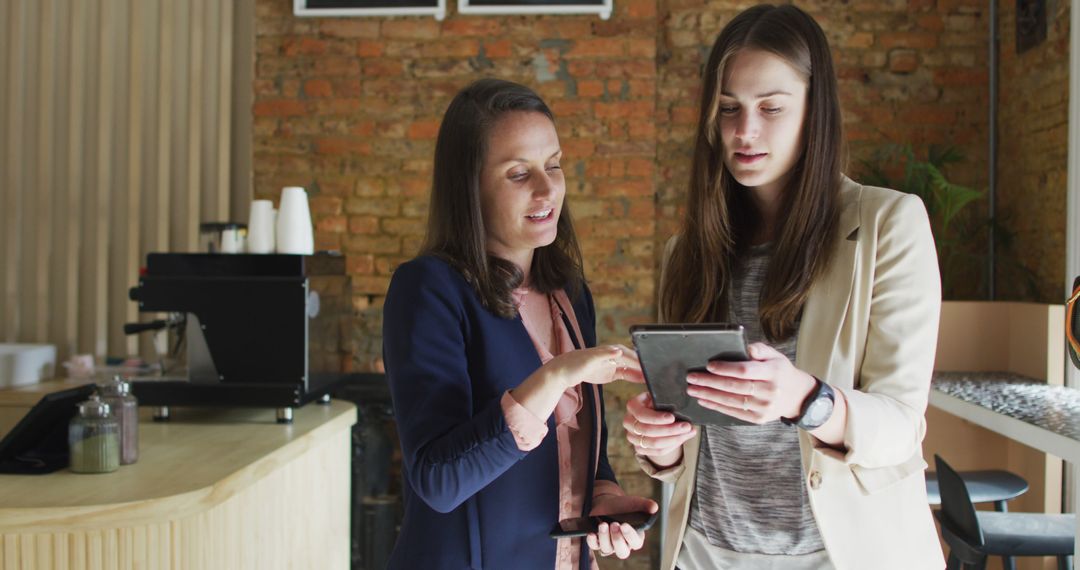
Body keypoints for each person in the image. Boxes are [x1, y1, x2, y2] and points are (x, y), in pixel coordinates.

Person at [621, 5, 945, 569]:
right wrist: (661, 442)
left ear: (815, 111)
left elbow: (901, 424)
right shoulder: (687, 254)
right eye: (728, 109)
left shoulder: (888, 224)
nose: (744, 131)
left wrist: (805, 399)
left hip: (838, 555)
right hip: (705, 553)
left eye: (771, 108)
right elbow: (691, 441)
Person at [382, 78, 657, 570]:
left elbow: (576, 454)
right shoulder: (428, 289)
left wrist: (603, 493)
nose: (547, 188)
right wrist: (557, 374)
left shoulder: (570, 294)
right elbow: (438, 481)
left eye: (553, 165)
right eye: (517, 173)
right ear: (470, 186)